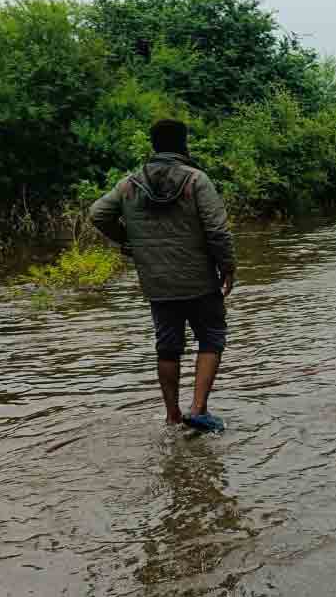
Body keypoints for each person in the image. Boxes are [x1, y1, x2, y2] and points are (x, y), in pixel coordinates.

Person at [90, 119, 236, 432]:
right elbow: (217, 231)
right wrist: (227, 267)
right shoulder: (196, 180)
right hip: (199, 278)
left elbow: (98, 213)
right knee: (211, 338)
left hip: (157, 281)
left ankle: (172, 416)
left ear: (154, 145)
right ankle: (198, 410)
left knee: (167, 346)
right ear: (183, 144)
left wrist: (129, 242)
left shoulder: (130, 183)